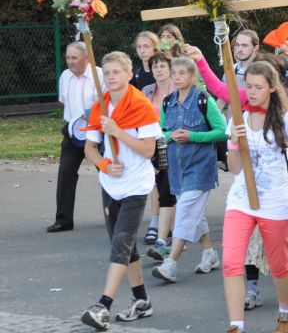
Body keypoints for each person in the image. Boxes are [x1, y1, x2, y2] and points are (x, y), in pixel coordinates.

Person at [222, 61, 288, 333]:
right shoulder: (237, 118)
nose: (251, 92)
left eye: (257, 87)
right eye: (248, 86)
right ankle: (236, 325)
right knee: (231, 261)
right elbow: (234, 168)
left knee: (279, 265)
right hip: (241, 200)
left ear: (271, 88)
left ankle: (286, 313)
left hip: (275, 201)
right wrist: (233, 142)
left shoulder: (283, 118)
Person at [80, 51, 161, 330]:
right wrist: (103, 164)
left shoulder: (141, 105)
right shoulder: (100, 106)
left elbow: (148, 150)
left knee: (120, 244)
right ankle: (142, 300)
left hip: (136, 186)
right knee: (126, 246)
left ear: (129, 75)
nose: (111, 77)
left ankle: (103, 306)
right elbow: (90, 147)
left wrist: (117, 131)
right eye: (107, 72)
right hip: (110, 185)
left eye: (117, 72)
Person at [151, 57, 228, 283]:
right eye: (174, 72)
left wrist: (193, 136)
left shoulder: (204, 100)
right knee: (193, 213)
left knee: (185, 211)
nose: (177, 76)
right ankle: (210, 253)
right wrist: (169, 136)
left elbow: (222, 131)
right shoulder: (168, 102)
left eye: (182, 73)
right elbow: (160, 132)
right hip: (177, 169)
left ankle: (171, 263)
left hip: (200, 167)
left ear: (193, 76)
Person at [47, 41, 103, 233]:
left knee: (106, 173)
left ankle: (115, 213)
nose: (70, 62)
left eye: (74, 58)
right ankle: (63, 220)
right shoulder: (65, 76)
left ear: (86, 58)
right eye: (68, 58)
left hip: (97, 133)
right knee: (65, 174)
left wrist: (94, 113)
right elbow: (65, 102)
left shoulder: (99, 75)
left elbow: (109, 103)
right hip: (72, 132)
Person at [141, 53, 177, 260]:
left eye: (162, 66)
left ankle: (174, 234)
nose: (158, 69)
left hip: (173, 144)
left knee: (172, 190)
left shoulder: (178, 90)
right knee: (159, 187)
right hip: (153, 144)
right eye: (154, 66)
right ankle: (164, 232)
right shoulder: (146, 91)